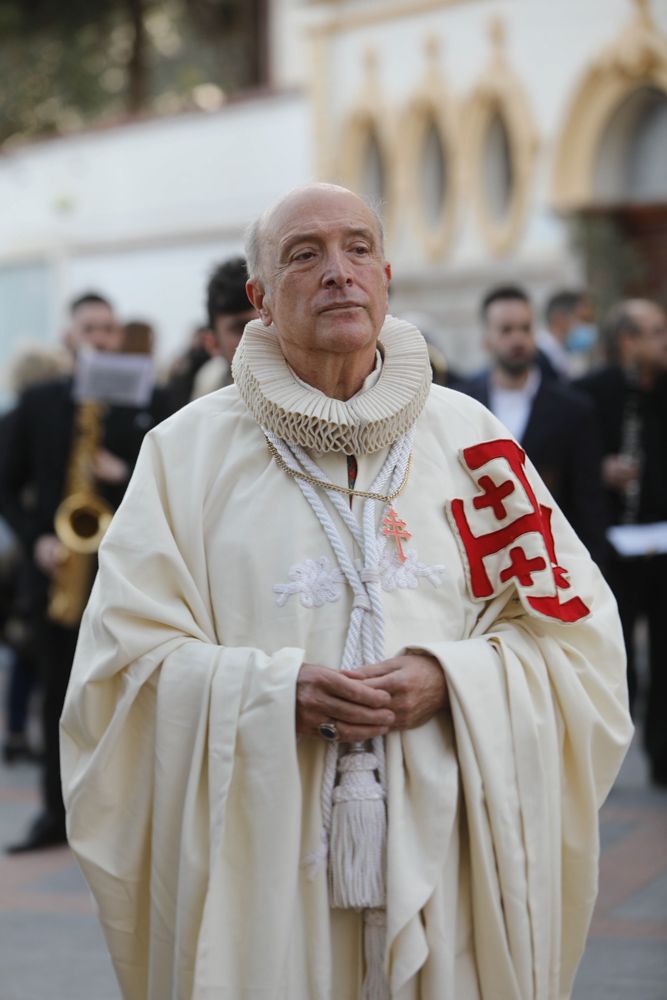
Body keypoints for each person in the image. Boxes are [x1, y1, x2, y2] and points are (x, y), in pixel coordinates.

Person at [61, 185, 632, 1000]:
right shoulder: (182, 454)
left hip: (448, 851)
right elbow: (121, 672)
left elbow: (576, 643)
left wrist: (452, 679)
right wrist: (266, 693)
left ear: (387, 275)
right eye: (305, 255)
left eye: (358, 248)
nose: (339, 272)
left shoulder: (472, 442)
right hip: (265, 856)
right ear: (258, 300)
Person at [0, 292, 169, 853]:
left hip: (126, 578)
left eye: (109, 328)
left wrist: (120, 474)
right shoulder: (40, 401)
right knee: (56, 697)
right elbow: (5, 484)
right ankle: (56, 813)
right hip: (58, 574)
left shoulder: (149, 403)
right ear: (70, 336)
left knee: (128, 698)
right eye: (90, 328)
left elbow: (169, 488)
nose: (101, 337)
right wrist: (36, 536)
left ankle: (124, 820)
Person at [575, 298, 667, 787]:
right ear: (627, 341)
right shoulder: (589, 393)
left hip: (663, 540)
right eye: (655, 332)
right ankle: (609, 751)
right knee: (617, 652)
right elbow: (570, 461)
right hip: (615, 545)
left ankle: (663, 756)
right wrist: (601, 468)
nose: (663, 342)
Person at [460, 285, 608, 565]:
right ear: (486, 339)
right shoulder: (463, 403)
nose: (518, 339)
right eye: (506, 330)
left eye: (525, 328)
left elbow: (589, 502)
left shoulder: (573, 409)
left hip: (555, 560)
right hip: (484, 560)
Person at [190, 255, 258, 398]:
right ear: (212, 344)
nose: (261, 335)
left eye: (269, 322)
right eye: (243, 329)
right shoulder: (207, 392)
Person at [536, 289, 597, 381]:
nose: (587, 327)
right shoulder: (539, 357)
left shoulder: (561, 356)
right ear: (559, 319)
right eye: (583, 319)